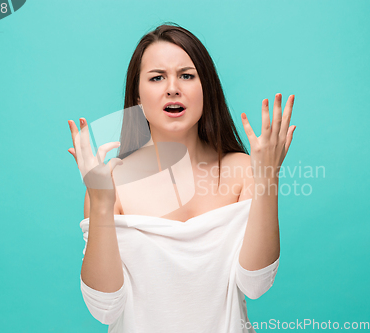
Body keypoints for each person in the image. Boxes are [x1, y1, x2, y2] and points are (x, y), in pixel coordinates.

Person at [67, 22, 296, 333]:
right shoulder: (112, 183)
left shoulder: (243, 170)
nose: (172, 87)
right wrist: (102, 205)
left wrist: (269, 177)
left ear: (207, 88)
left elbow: (255, 283)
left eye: (187, 75)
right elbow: (105, 308)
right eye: (157, 77)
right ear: (137, 95)